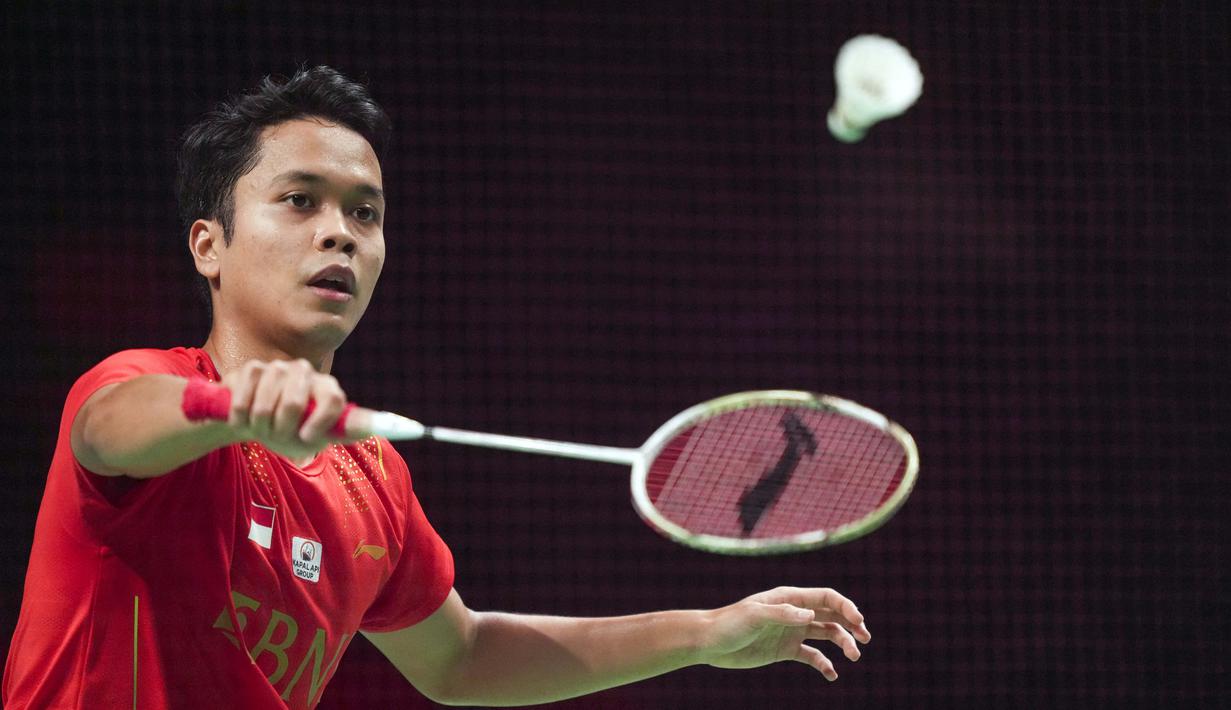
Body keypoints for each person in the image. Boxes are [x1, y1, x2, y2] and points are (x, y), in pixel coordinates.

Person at [2, 66, 870, 709]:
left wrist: (709, 634)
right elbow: (110, 431)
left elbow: (461, 657)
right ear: (209, 246)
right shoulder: (146, 387)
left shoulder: (369, 476)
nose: (338, 234)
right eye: (299, 201)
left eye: (365, 213)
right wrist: (228, 408)